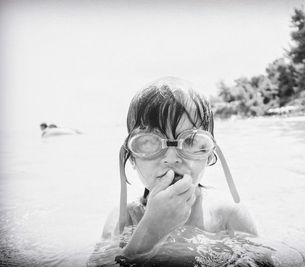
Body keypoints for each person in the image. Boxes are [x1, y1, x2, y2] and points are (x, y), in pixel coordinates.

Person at [109, 77, 257, 261]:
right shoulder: (127, 218)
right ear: (131, 158)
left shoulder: (228, 214)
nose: (171, 158)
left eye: (191, 141)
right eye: (148, 142)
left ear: (209, 154)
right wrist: (148, 234)